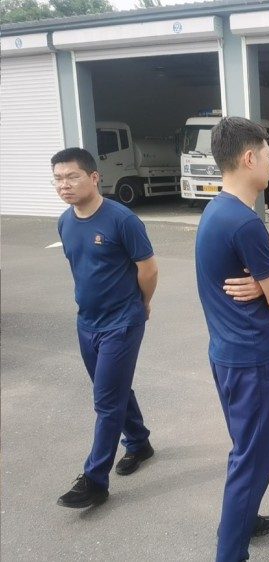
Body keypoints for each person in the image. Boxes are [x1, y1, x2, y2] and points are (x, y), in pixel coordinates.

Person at [195, 117, 269, 562]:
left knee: (245, 449)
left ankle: (243, 518)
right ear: (249, 158)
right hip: (250, 359)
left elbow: (261, 287)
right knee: (253, 460)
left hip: (226, 352)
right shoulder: (245, 223)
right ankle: (230, 551)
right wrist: (268, 285)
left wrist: (261, 284)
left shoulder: (216, 210)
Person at [52, 147, 158, 509]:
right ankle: (139, 442)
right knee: (112, 388)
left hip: (122, 321)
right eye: (58, 178)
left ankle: (95, 480)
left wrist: (142, 304)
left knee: (106, 401)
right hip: (87, 321)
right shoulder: (65, 222)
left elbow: (148, 268)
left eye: (72, 176)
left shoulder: (122, 220)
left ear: (94, 177)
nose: (64, 185)